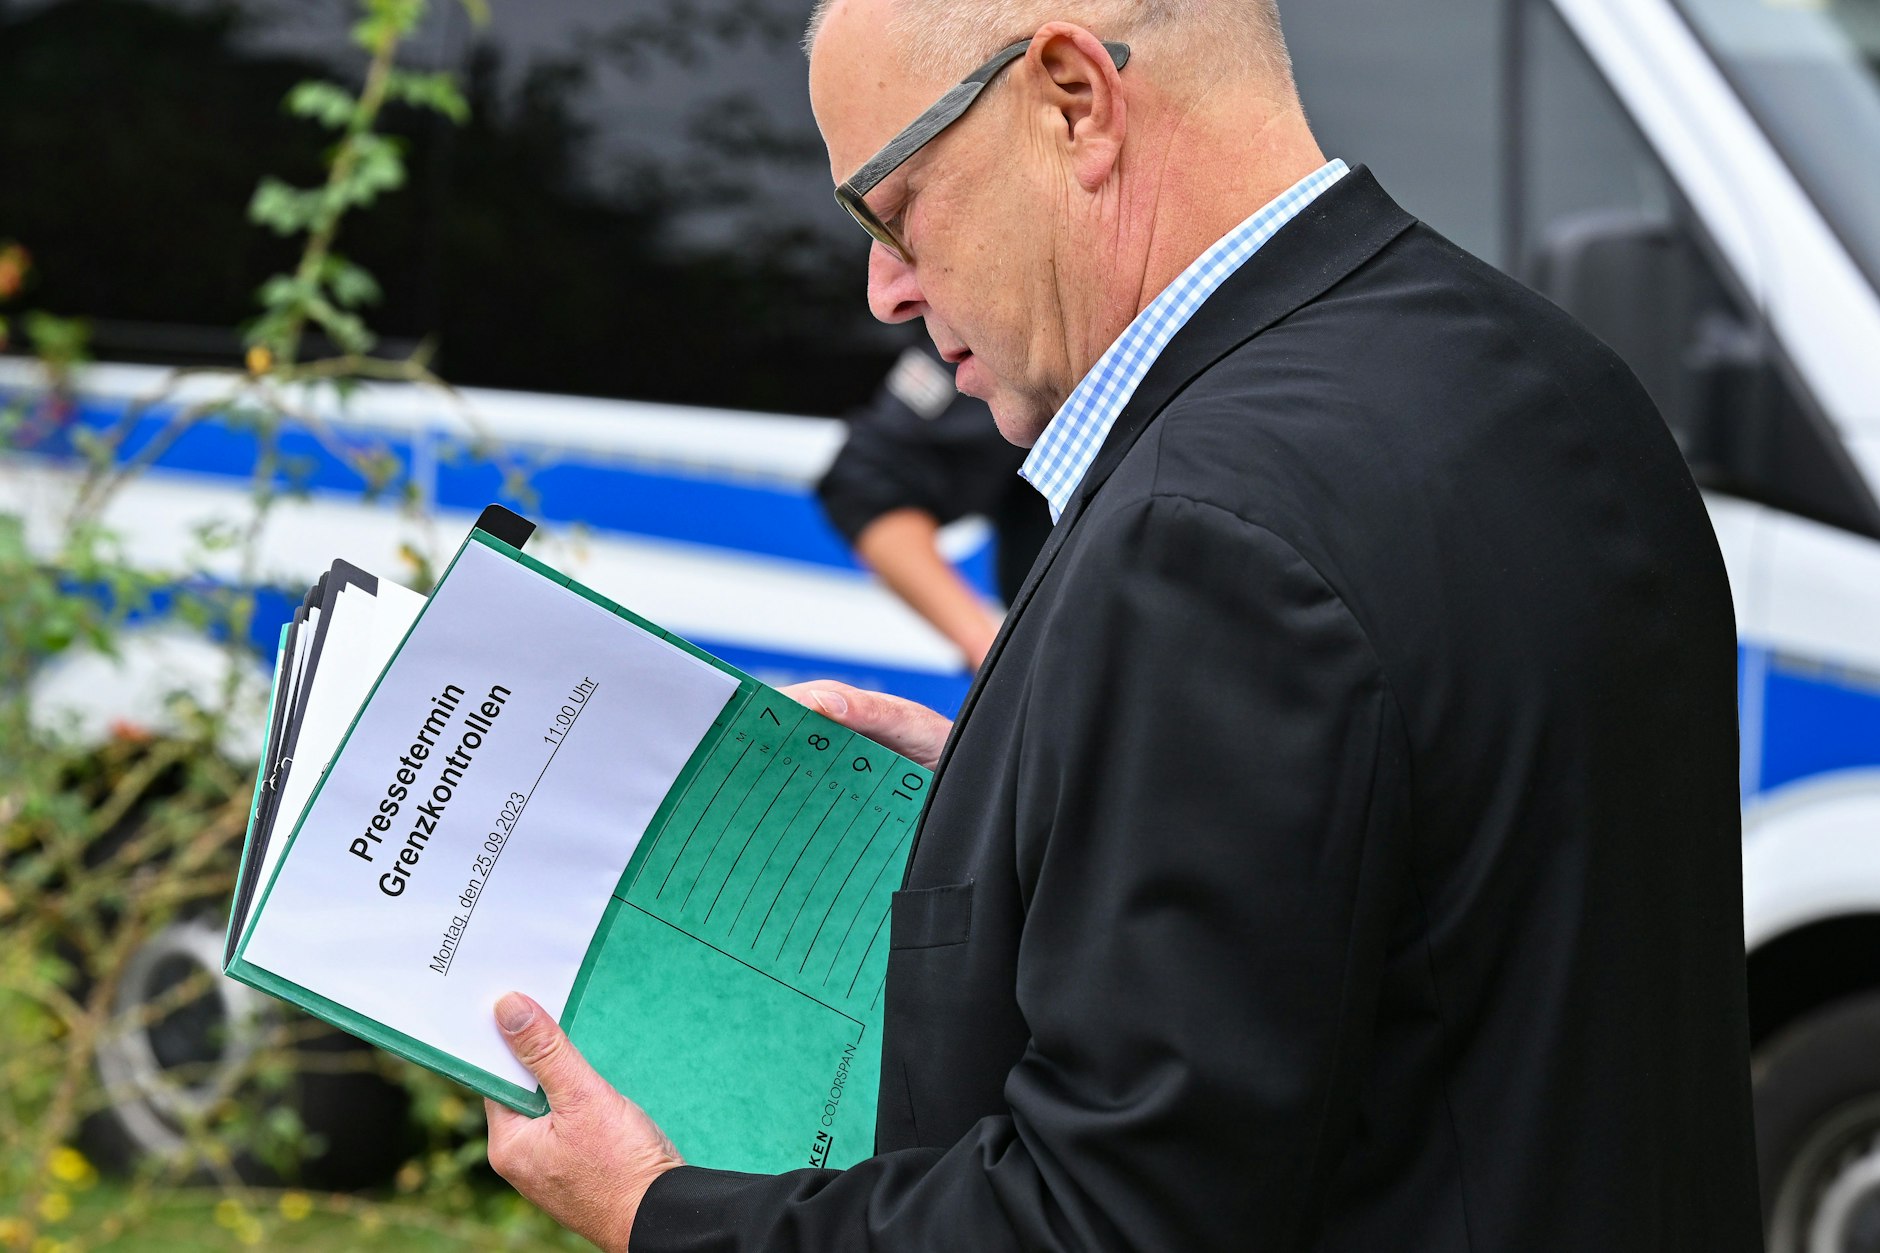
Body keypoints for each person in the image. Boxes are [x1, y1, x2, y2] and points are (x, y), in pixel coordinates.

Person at [484, 1, 1765, 1249]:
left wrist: (658, 1209)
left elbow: (1102, 1211)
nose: (881, 287)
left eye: (889, 205)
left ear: (1070, 99)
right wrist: (1048, 801)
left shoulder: (1199, 534)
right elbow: (1440, 887)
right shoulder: (1549, 375)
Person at [818, 337, 1051, 668]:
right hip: (1080, 657)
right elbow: (869, 480)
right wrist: (989, 650)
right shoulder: (1029, 336)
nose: (890, 303)